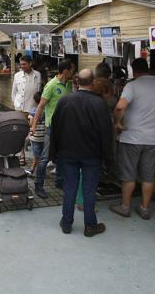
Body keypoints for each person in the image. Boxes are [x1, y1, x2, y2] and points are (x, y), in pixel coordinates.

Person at [50, 69, 113, 236]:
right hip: (91, 155)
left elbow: (55, 127)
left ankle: (67, 223)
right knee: (88, 190)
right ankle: (90, 226)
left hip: (68, 153)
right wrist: (107, 157)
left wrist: (54, 152)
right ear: (92, 83)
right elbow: (106, 132)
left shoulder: (64, 101)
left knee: (70, 187)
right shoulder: (100, 104)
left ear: (77, 81)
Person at [110, 58, 155, 220]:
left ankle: (125, 207)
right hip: (152, 138)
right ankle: (144, 208)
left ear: (134, 72)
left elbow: (120, 106)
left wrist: (117, 122)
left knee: (129, 174)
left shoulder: (132, 86)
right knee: (148, 176)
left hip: (132, 137)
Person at [30, 59, 75, 199]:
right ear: (66, 71)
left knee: (62, 155)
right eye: (72, 70)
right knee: (44, 158)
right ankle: (38, 185)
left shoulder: (69, 84)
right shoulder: (51, 85)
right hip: (52, 127)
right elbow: (40, 107)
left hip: (66, 127)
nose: (74, 72)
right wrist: (34, 125)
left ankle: (59, 182)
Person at [28, 92, 45, 175]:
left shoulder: (33, 111)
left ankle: (36, 170)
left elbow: (31, 124)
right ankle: (36, 169)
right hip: (44, 137)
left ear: (35, 101)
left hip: (35, 137)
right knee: (42, 154)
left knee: (36, 155)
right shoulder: (46, 110)